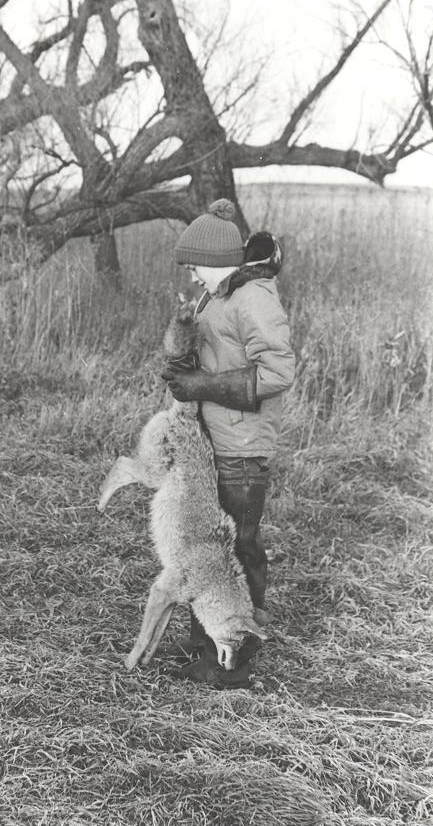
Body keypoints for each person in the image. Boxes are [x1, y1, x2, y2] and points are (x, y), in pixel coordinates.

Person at [161, 197, 295, 689]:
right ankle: (208, 646)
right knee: (210, 551)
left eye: (197, 264)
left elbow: (278, 371)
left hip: (242, 446)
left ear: (217, 262)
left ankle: (233, 662)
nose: (194, 274)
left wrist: (203, 386)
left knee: (238, 552)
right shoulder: (219, 296)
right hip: (217, 440)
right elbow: (216, 358)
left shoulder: (253, 296)